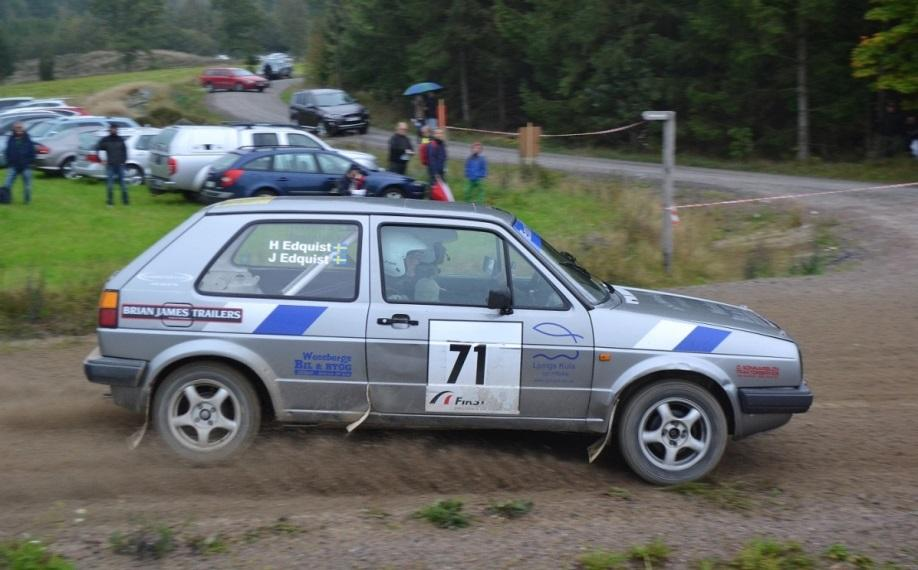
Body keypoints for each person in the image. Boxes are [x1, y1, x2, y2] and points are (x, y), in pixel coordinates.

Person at [3, 122, 36, 204]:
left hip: (25, 166)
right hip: (13, 166)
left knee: (27, 186)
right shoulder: (11, 139)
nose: (19, 129)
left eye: (20, 128)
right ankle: (5, 200)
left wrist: (29, 162)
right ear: (14, 129)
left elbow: (32, 152)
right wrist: (9, 162)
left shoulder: (27, 139)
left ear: (23, 129)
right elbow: (7, 151)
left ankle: (27, 201)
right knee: (7, 184)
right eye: (17, 128)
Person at [96, 123, 129, 206]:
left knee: (123, 185)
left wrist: (124, 161)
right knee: (110, 185)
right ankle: (110, 202)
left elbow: (125, 151)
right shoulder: (105, 140)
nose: (114, 130)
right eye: (112, 128)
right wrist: (101, 160)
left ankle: (125, 202)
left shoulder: (121, 140)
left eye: (115, 128)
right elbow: (98, 149)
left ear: (117, 130)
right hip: (110, 165)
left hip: (120, 165)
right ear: (110, 129)